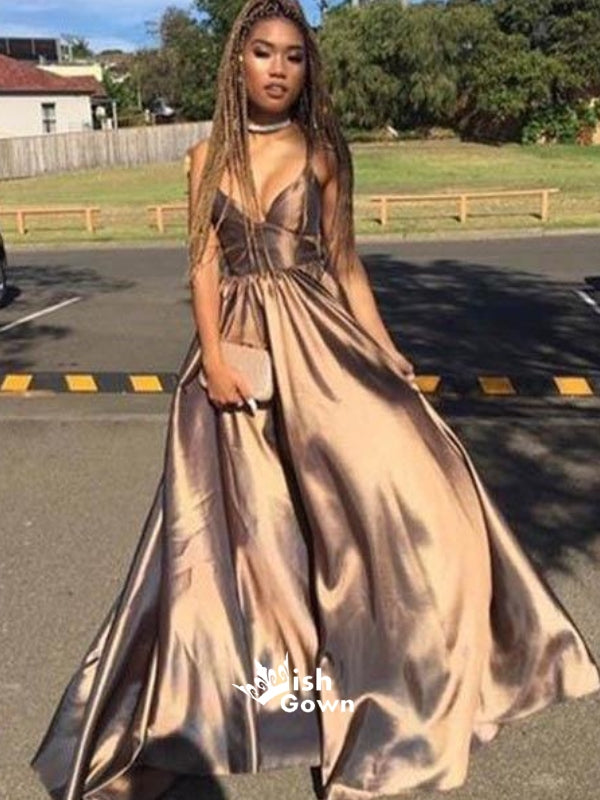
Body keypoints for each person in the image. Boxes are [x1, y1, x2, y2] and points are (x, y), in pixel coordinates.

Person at [29, 1, 600, 799]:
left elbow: (346, 264)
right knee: (236, 545)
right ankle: (210, 717)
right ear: (237, 61)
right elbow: (202, 263)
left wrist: (386, 349)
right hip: (235, 357)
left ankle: (394, 697)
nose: (278, 69)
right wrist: (214, 361)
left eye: (294, 57)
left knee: (396, 498)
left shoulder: (325, 152)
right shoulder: (204, 158)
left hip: (319, 346)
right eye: (263, 52)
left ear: (308, 69)